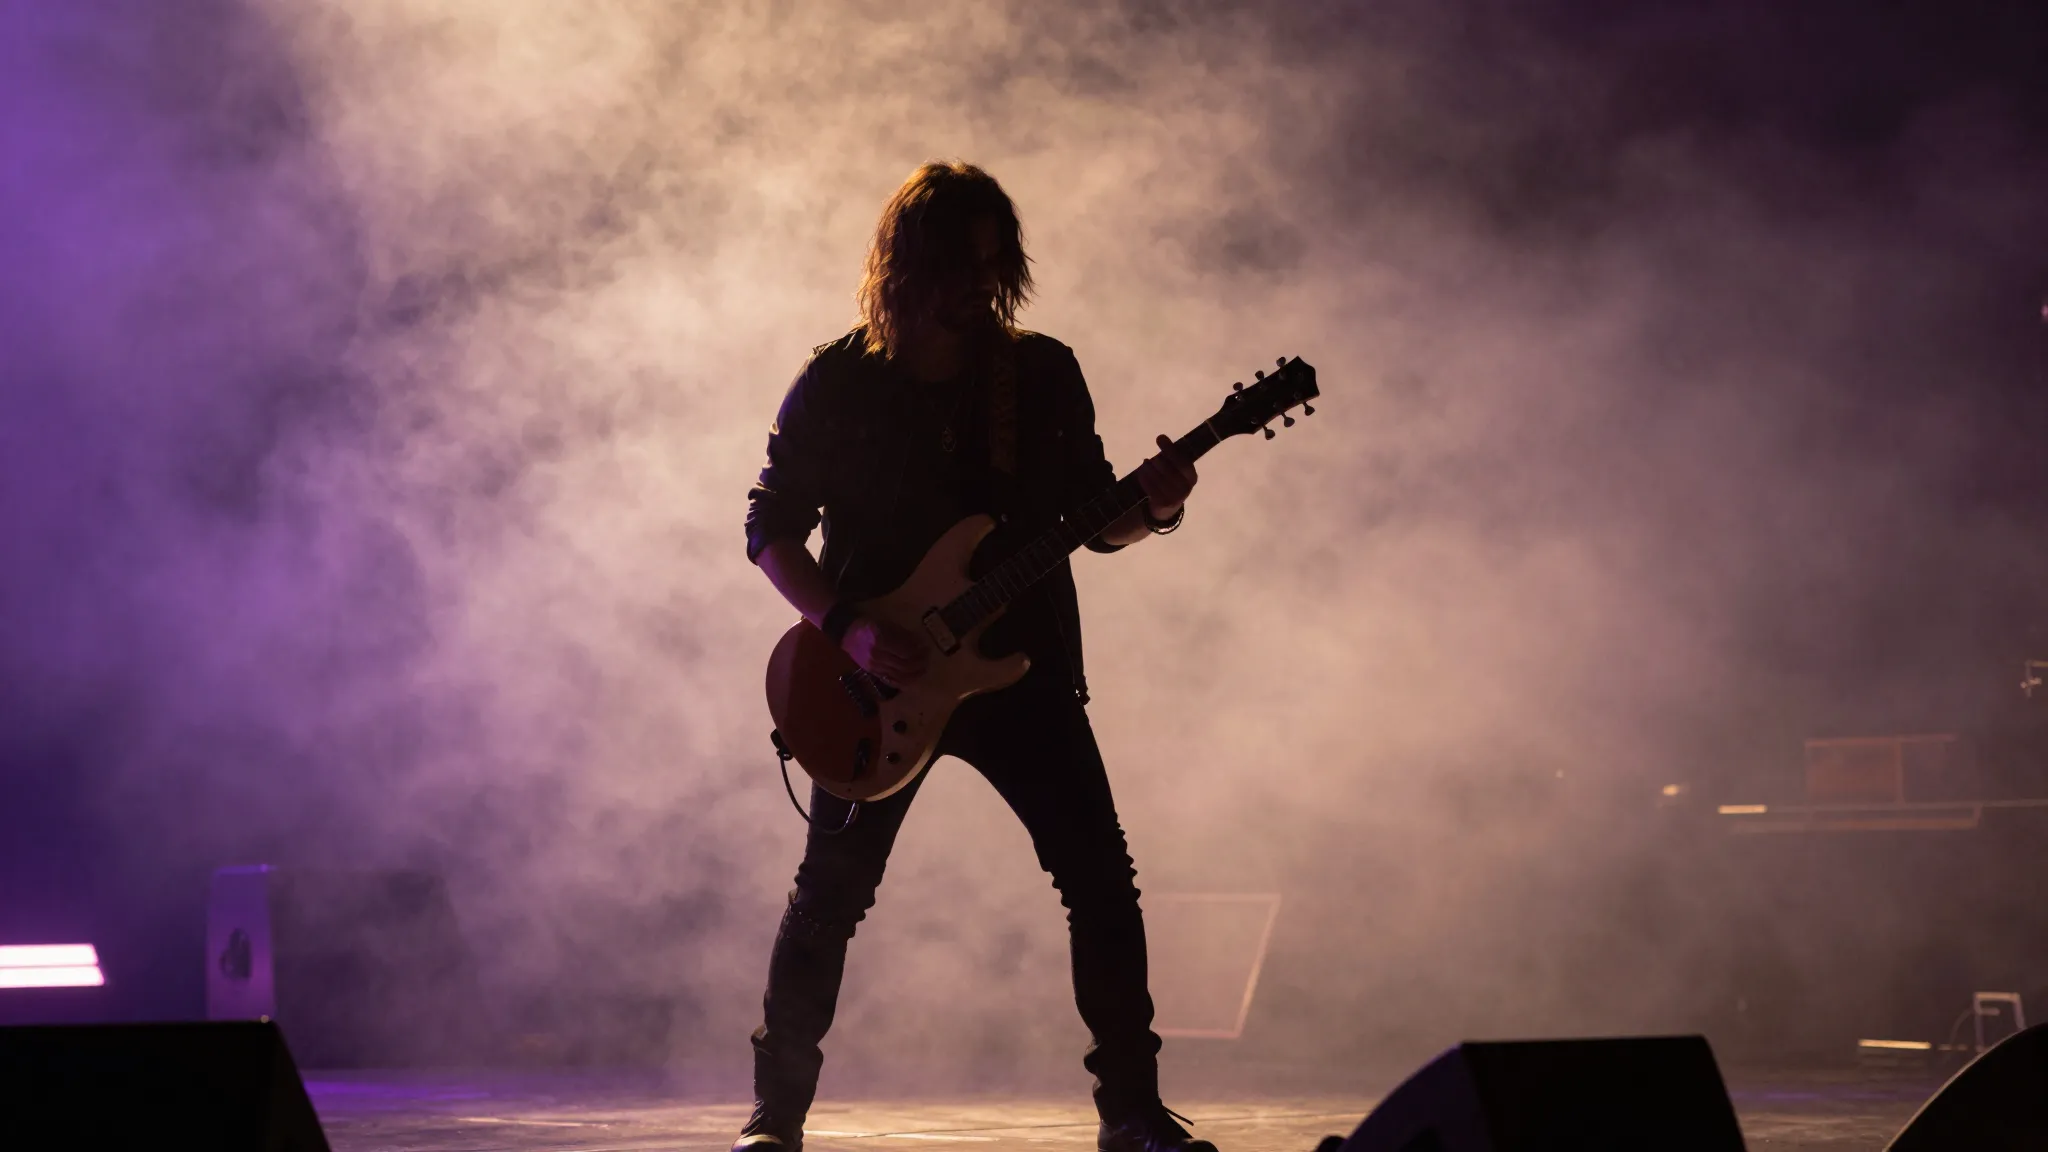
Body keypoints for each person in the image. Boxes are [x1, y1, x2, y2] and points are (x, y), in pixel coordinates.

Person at [740, 160, 1210, 1152]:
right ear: (908, 264)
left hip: (1021, 669)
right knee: (829, 897)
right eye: (960, 265)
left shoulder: (1040, 373)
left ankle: (1131, 1113)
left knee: (1099, 880)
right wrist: (848, 628)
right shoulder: (837, 380)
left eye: (994, 265)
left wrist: (1155, 507)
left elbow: (1097, 520)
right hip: (873, 680)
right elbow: (769, 529)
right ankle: (773, 1120)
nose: (979, 287)